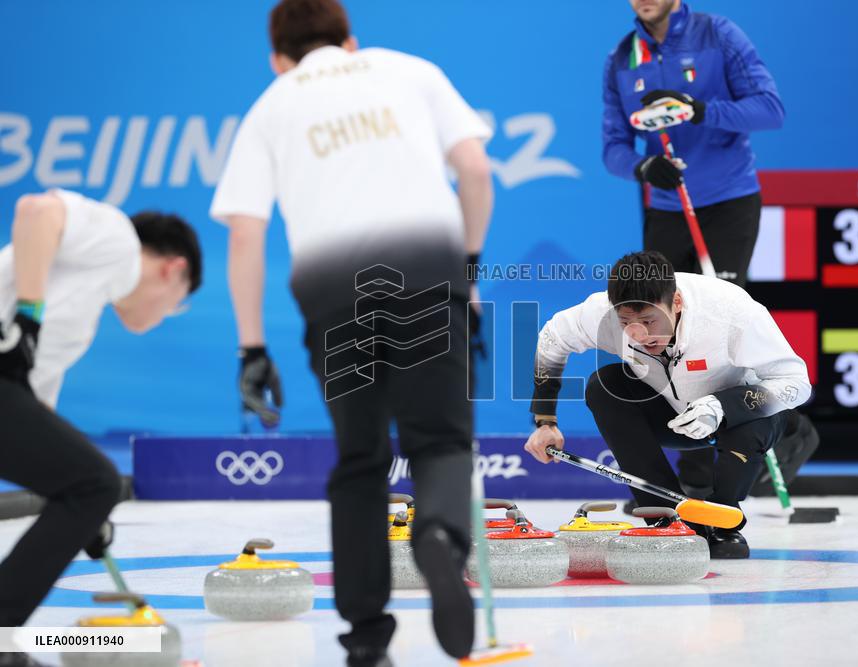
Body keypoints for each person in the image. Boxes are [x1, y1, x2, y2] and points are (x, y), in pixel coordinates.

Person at [209, 1, 493, 664]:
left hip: (334, 293)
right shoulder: (409, 70)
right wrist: (467, 264)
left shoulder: (271, 104)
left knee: (361, 457)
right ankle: (441, 538)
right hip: (427, 271)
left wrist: (252, 348)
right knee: (440, 440)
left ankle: (366, 637)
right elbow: (475, 170)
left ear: (279, 58)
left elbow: (245, 233)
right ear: (351, 40)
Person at [0, 189, 202, 667]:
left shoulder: (82, 321)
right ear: (173, 269)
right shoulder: (118, 240)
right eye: (176, 304)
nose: (163, 316)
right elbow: (36, 210)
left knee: (87, 487)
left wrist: (80, 515)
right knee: (96, 483)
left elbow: (33, 420)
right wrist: (27, 318)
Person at [603, 0, 786, 500]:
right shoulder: (624, 58)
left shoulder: (718, 35)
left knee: (717, 332)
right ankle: (692, 473)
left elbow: (770, 109)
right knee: (666, 335)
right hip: (666, 208)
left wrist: (699, 111)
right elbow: (613, 146)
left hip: (728, 200)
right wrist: (641, 169)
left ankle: (770, 442)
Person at [523, 251, 810, 558]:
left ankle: (724, 519)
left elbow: (796, 383)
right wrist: (545, 420)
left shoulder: (732, 313)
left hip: (741, 419)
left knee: (755, 420)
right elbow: (552, 339)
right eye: (626, 322)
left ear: (676, 302)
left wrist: (722, 406)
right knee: (602, 387)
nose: (639, 334)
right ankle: (665, 516)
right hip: (671, 417)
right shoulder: (600, 313)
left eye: (648, 319)